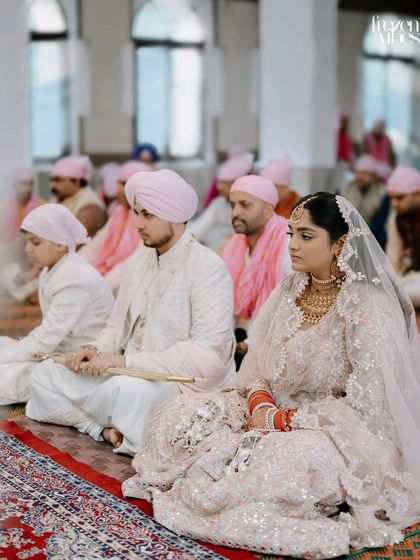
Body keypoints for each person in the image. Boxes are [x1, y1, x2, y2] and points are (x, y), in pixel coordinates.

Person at [122, 192, 420, 558]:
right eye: (290, 234)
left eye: (306, 236)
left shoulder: (368, 305)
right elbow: (259, 368)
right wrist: (261, 403)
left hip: (338, 428)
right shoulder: (291, 289)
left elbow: (371, 404)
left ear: (340, 243)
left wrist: (283, 420)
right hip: (270, 408)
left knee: (287, 464)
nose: (292, 245)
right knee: (174, 416)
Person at [27, 169, 236, 456]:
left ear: (174, 215)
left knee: (129, 392)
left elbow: (208, 357)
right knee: (46, 373)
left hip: (174, 385)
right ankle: (99, 428)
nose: (137, 224)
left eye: (147, 215)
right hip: (124, 373)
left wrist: (124, 361)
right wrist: (94, 350)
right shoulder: (140, 262)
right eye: (136, 213)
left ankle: (101, 421)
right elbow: (115, 328)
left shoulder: (207, 267)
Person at [0, 204, 114, 405]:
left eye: (35, 243)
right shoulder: (53, 268)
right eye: (27, 242)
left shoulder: (73, 277)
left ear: (60, 244)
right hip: (59, 350)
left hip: (82, 364)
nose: (27, 250)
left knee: (9, 376)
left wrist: (11, 355)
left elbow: (45, 341)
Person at [223, 175, 290, 366]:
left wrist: (250, 344)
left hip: (276, 347)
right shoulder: (234, 247)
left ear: (268, 209)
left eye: (245, 205)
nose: (235, 212)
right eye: (232, 205)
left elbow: (295, 308)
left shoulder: (288, 243)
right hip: (239, 341)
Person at [79, 161, 152, 293]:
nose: (118, 189)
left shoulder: (151, 219)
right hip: (105, 280)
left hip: (129, 289)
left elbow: (131, 265)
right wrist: (73, 272)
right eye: (119, 183)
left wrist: (96, 291)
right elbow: (94, 247)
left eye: (125, 184)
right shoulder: (119, 212)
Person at [189, 152, 254, 252]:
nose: (219, 187)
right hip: (211, 249)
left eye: (225, 183)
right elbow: (199, 227)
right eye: (219, 182)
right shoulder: (218, 203)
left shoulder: (250, 206)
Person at [386, 165, 420, 309]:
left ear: (417, 194)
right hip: (411, 275)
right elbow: (394, 255)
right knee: (382, 291)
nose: (394, 203)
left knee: (402, 294)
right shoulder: (397, 218)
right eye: (391, 198)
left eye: (400, 198)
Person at [50, 155, 107, 237]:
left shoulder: (90, 207)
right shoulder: (59, 198)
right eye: (52, 180)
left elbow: (76, 243)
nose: (52, 186)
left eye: (58, 180)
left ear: (76, 181)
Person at [341, 155, 390, 248]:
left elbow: (379, 222)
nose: (359, 177)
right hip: (350, 235)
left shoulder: (382, 192)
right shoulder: (348, 188)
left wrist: (361, 236)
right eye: (357, 173)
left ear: (373, 176)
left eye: (364, 174)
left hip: (375, 236)